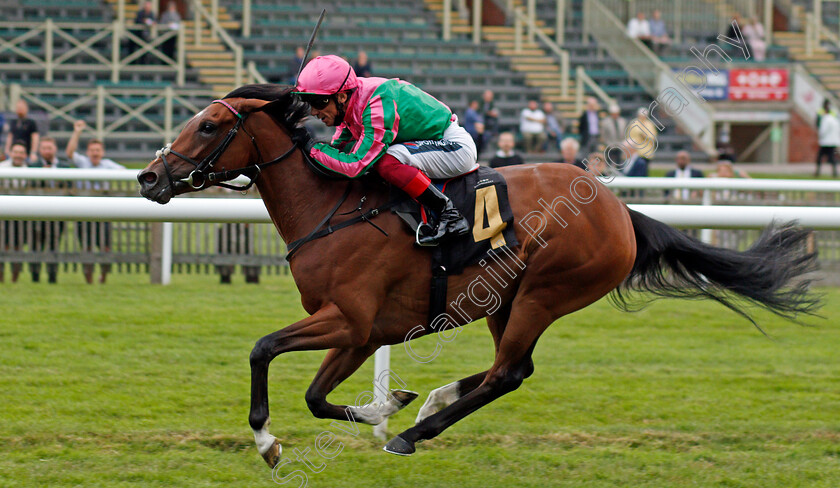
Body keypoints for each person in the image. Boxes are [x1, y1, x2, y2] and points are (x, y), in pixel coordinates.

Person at [293, 55, 475, 246]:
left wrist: (311, 147)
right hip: (431, 144)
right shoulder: (350, 103)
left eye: (318, 102)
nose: (313, 112)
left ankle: (450, 214)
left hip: (454, 146)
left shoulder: (377, 101)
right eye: (308, 102)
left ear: (341, 96)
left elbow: (356, 164)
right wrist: (314, 150)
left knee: (386, 161)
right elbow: (337, 150)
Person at [66, 120, 125, 283]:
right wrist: (77, 132)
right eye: (92, 150)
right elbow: (70, 153)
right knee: (86, 247)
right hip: (83, 212)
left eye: (97, 150)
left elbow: (126, 172)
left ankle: (103, 277)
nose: (95, 153)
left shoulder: (108, 165)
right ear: (87, 152)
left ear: (102, 152)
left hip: (103, 212)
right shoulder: (82, 162)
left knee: (105, 247)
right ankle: (89, 279)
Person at [29, 137, 71, 283]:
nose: (47, 151)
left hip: (57, 212)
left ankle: (52, 276)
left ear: (55, 150)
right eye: (44, 148)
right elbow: (30, 187)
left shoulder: (64, 167)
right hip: (36, 212)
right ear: (40, 150)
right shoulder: (33, 167)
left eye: (50, 148)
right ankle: (35, 276)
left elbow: (69, 187)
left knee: (54, 245)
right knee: (35, 246)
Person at [0, 142, 29, 283]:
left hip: (21, 213)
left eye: (21, 152)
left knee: (18, 246)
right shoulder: (2, 167)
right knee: (2, 245)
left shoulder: (29, 169)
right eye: (16, 152)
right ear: (10, 153)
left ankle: (14, 280)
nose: (18, 155)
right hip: (2, 212)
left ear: (25, 155)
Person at [816, 100, 840, 177]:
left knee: (820, 157)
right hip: (833, 142)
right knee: (832, 157)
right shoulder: (835, 119)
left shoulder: (826, 119)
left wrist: (820, 136)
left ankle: (818, 172)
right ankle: (835, 172)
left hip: (826, 142)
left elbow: (823, 131)